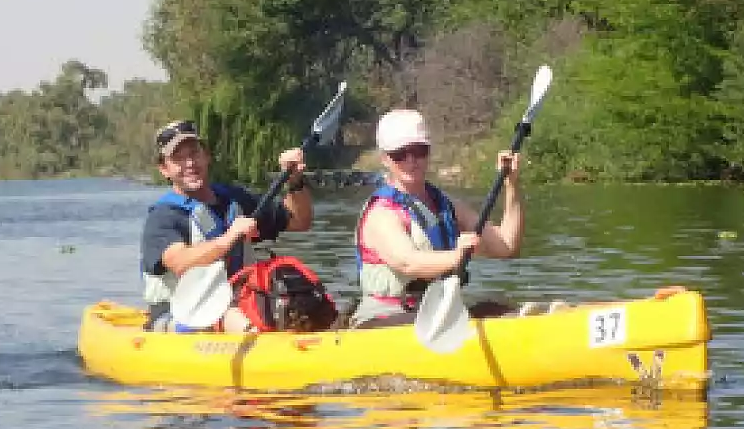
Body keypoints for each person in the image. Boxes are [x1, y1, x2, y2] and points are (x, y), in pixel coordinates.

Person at [351, 108, 524, 327]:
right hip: (383, 318)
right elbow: (408, 262)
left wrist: (512, 185)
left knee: (497, 309)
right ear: (385, 159)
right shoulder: (381, 213)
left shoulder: (447, 206)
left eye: (419, 151)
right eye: (400, 154)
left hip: (436, 314)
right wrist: (456, 256)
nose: (411, 160)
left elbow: (506, 246)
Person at [141, 119, 314, 332]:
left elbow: (299, 221)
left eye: (194, 153)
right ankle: (258, 338)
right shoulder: (163, 217)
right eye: (178, 159)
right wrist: (230, 236)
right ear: (164, 169)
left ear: (207, 156)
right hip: (181, 312)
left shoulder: (234, 200)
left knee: (296, 296)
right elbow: (179, 262)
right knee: (230, 315)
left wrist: (295, 181)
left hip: (237, 301)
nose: (190, 163)